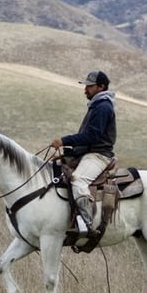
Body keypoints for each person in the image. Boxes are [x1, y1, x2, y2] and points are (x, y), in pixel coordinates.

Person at [51, 70, 117, 237]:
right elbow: (88, 140)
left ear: (101, 87)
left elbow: (93, 136)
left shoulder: (103, 107)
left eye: (90, 86)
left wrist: (64, 141)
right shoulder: (97, 105)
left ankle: (86, 223)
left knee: (78, 181)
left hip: (99, 155)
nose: (85, 89)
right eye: (86, 86)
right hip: (89, 153)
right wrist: (68, 153)